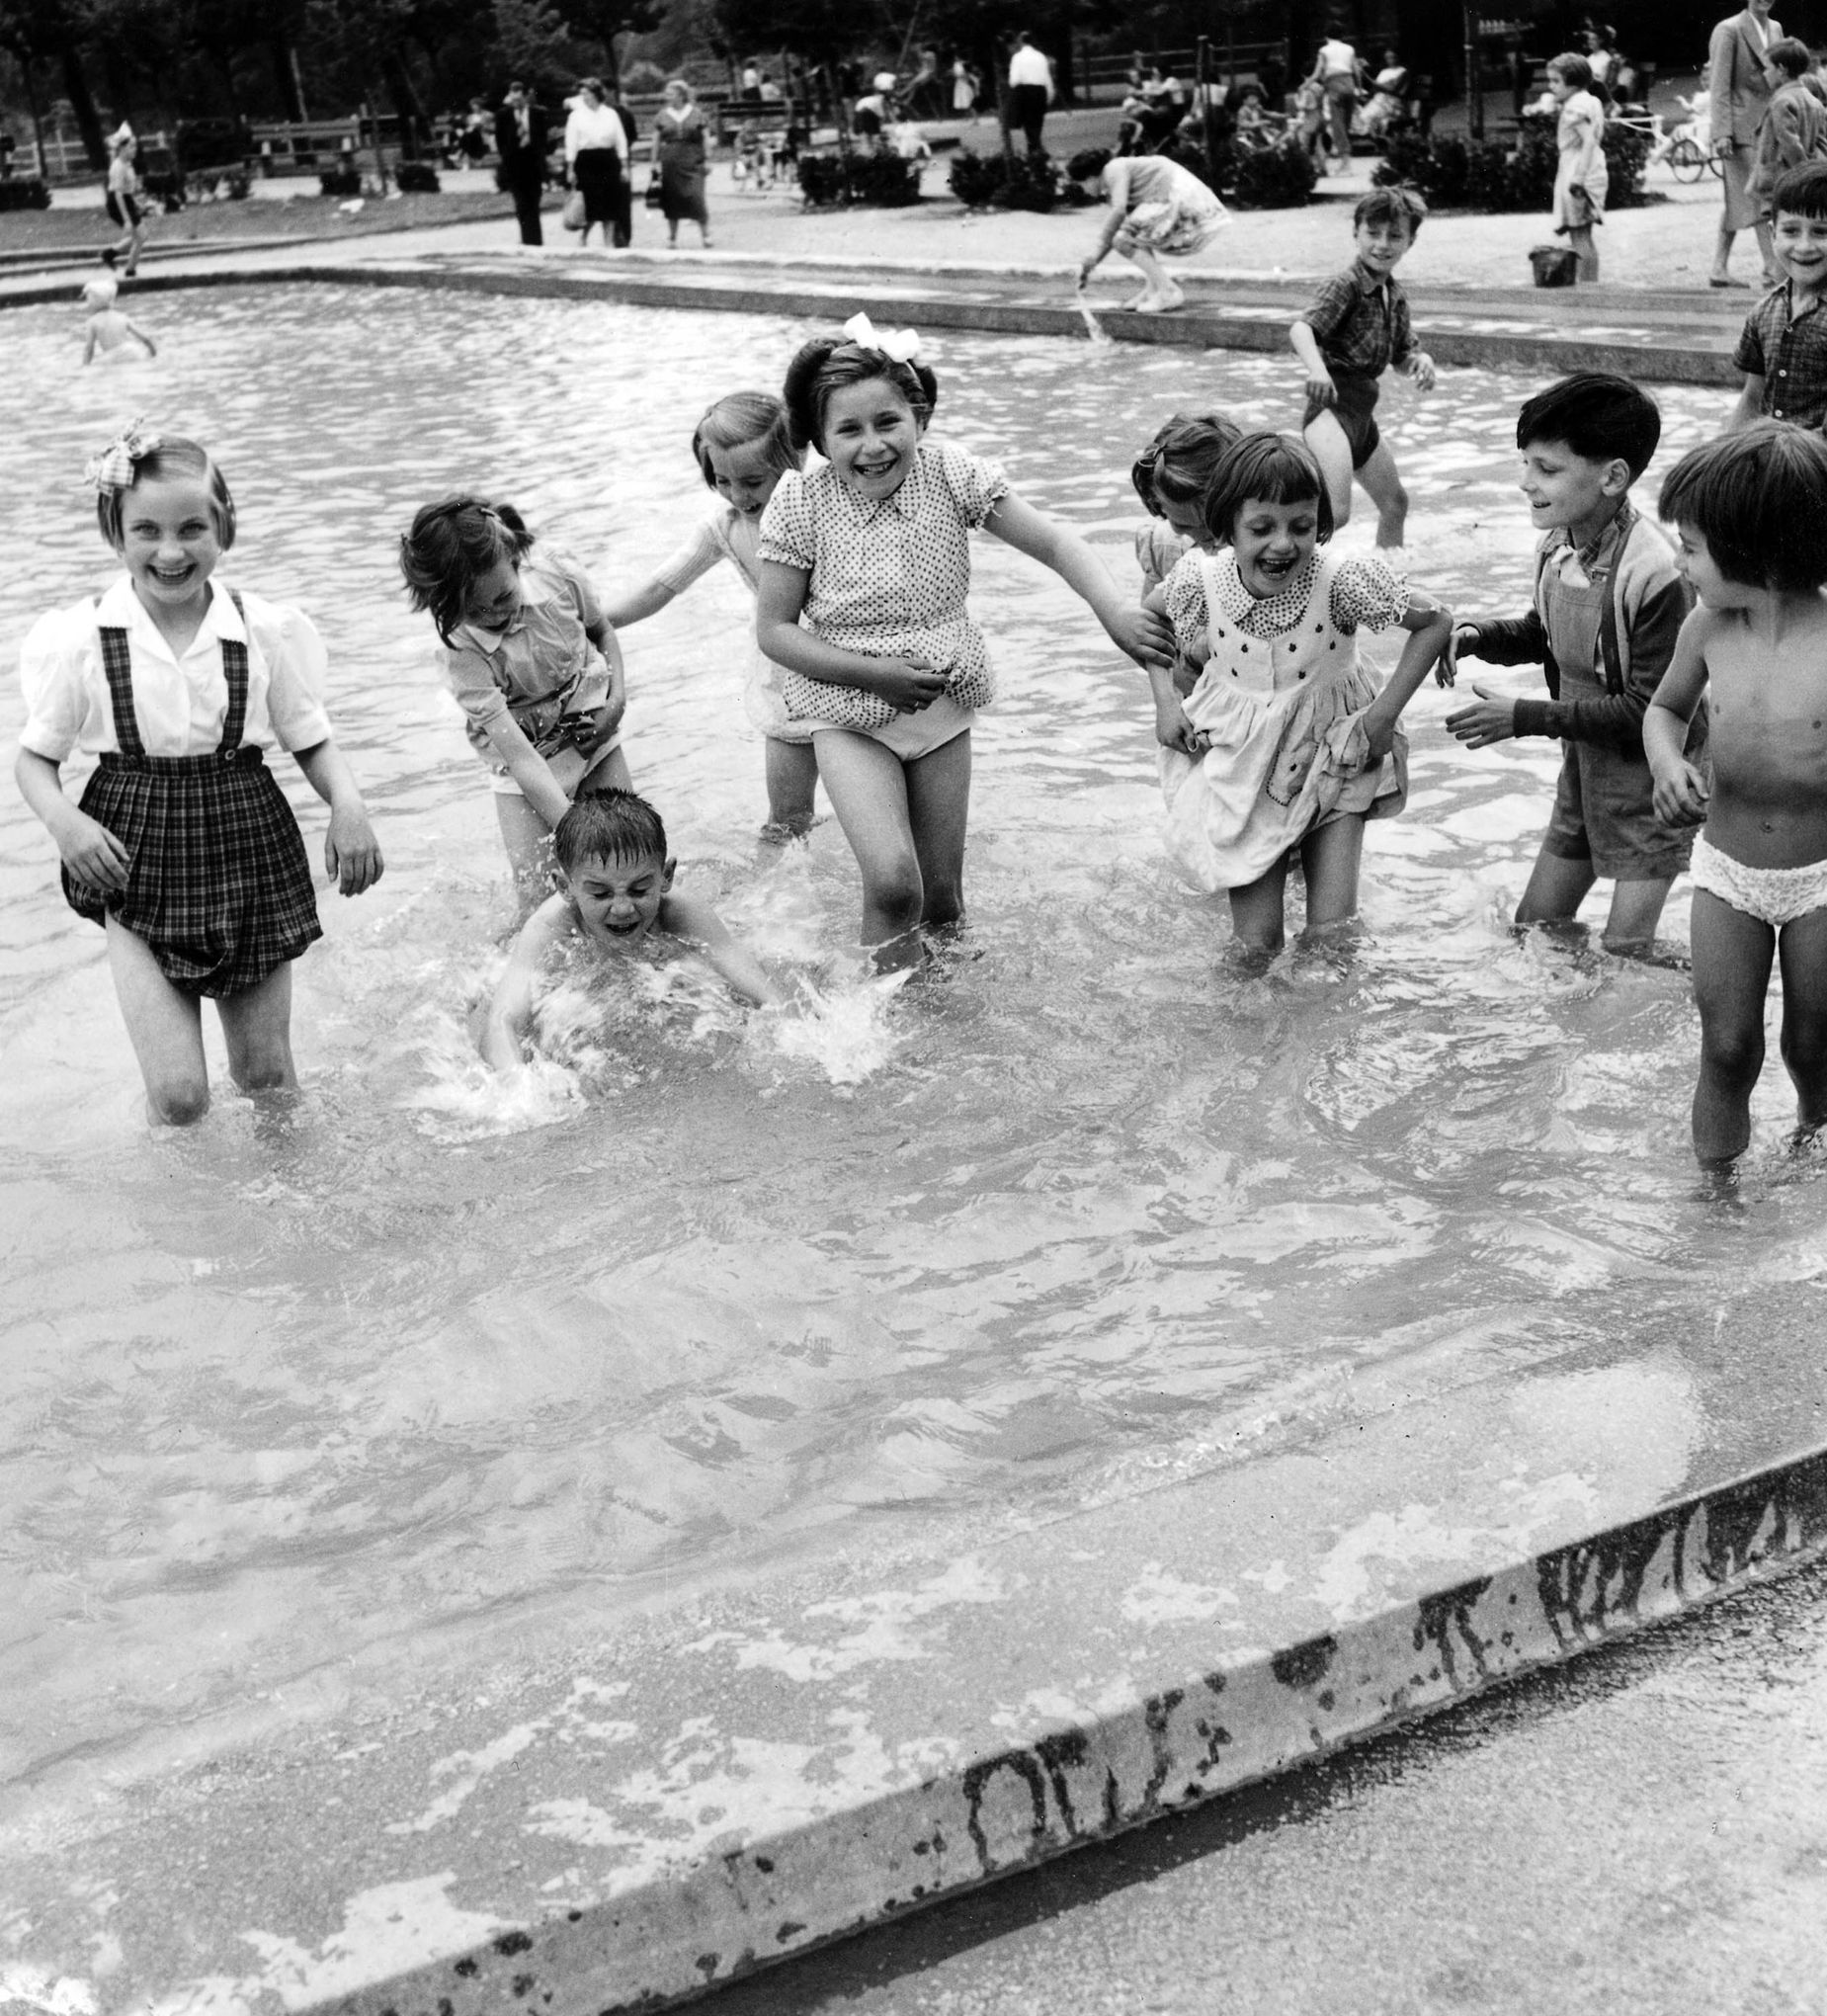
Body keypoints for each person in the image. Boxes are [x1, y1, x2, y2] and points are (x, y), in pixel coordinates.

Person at [754, 312, 1174, 969]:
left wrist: (1114, 612)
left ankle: (945, 1037)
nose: (872, 446)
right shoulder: (800, 502)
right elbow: (774, 632)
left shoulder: (950, 473)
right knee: (894, 883)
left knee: (944, 901)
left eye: (887, 422)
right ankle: (876, 1029)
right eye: (848, 430)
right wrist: (873, 674)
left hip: (942, 710)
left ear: (916, 416)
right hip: (846, 710)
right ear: (818, 438)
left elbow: (1057, 542)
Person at [14, 424, 383, 1126]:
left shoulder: (262, 627)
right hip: (132, 862)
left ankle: (288, 1214)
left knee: (266, 1077)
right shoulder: (81, 638)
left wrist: (349, 806)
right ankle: (185, 1227)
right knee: (180, 1097)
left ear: (226, 528)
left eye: (192, 528)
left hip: (249, 851)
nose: (171, 550)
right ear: (115, 535)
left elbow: (312, 740)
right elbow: (34, 760)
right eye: (146, 529)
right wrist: (65, 824)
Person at [1143, 430, 1453, 960]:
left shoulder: (1342, 579)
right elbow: (1147, 619)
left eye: (1302, 526)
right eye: (1262, 527)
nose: (1283, 543)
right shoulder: (1200, 579)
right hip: (1246, 770)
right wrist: (1165, 702)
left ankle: (1332, 1037)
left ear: (1321, 524)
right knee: (1253, 947)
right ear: (1226, 527)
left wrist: (1381, 718)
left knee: (1332, 937)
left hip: (1336, 757)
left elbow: (1435, 621)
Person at [1446, 374, 1700, 958]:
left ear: (1613, 476)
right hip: (1584, 766)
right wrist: (1477, 636)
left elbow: (1649, 709)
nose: (1525, 482)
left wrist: (1524, 716)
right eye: (1525, 464)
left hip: (1652, 782)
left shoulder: (1656, 571)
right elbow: (1545, 633)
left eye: (1547, 470)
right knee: (1532, 929)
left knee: (1626, 952)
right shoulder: (1557, 542)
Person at [1642, 423, 1827, 1173]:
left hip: (1821, 879)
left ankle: (1810, 1146)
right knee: (1725, 1045)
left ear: (1758, 549)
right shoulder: (1707, 627)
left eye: (1690, 547)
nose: (1679, 562)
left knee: (1814, 1039)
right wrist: (1664, 765)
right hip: (1727, 871)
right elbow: (1663, 711)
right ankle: (1713, 1201)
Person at [602, 391, 818, 843]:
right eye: (722, 480)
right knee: (786, 821)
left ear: (794, 457)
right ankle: (777, 904)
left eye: (754, 481)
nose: (738, 495)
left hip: (850, 666)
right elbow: (659, 588)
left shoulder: (823, 505)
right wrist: (590, 624)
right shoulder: (724, 528)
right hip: (788, 684)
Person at [399, 496, 630, 908]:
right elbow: (522, 760)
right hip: (522, 763)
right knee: (540, 899)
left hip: (591, 737)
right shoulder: (461, 651)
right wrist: (575, 832)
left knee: (626, 861)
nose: (492, 615)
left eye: (502, 597)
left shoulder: (557, 574)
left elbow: (603, 631)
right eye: (474, 609)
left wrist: (615, 706)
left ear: (514, 558)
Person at [481, 789, 779, 1073]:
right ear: (564, 888)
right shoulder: (549, 927)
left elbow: (761, 990)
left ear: (666, 876)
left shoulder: (680, 911)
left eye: (638, 890)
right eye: (600, 894)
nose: (622, 908)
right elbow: (501, 1021)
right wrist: (517, 1085)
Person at [1290, 185, 1437, 549]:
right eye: (1373, 233)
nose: (1382, 244)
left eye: (1395, 236)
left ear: (1410, 241)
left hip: (1361, 417)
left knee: (1395, 504)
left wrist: (1420, 360)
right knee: (1336, 513)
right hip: (1330, 412)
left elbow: (1401, 355)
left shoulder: (1396, 296)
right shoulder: (1346, 285)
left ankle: (1388, 582)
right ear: (1356, 233)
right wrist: (1317, 370)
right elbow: (1302, 328)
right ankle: (1281, 575)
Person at [1729, 161, 1827, 429]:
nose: (1804, 246)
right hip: (1772, 458)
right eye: (1791, 231)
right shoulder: (1764, 311)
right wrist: (1723, 456)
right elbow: (1752, 397)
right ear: (1773, 234)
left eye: (1820, 232)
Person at [1072, 148, 1227, 314]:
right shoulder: (1113, 184)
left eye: (1081, 184)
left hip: (1172, 191)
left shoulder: (1112, 168)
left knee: (1124, 239)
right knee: (1132, 234)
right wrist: (1094, 260)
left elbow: (1118, 212)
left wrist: (1096, 250)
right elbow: (1119, 226)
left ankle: (1168, 290)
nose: (1083, 190)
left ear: (1089, 178)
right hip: (1167, 193)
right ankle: (1153, 290)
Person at [1709, 0, 1783, 289]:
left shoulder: (1776, 28)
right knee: (1760, 195)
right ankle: (1772, 267)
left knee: (1740, 197)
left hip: (1768, 125)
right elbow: (1719, 85)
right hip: (1739, 128)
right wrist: (1721, 132)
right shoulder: (1728, 29)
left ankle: (1718, 267)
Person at [1130, 411, 1244, 597]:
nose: (1206, 537)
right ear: (1160, 506)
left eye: (1214, 523)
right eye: (1183, 524)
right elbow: (1150, 622)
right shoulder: (1163, 547)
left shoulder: (1263, 550)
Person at [1546, 51, 1608, 283]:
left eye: (1556, 81)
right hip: (1593, 165)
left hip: (1577, 167)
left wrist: (1578, 177)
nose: (1552, 87)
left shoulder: (1574, 108)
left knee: (1579, 236)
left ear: (1572, 83)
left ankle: (1587, 286)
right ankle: (1590, 283)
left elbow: (1589, 139)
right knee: (1585, 235)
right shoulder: (1590, 100)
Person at [1749, 40, 1827, 213]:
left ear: (1782, 70)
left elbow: (1790, 144)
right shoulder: (1813, 100)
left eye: (1767, 68)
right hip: (1808, 173)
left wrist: (1805, 177)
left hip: (1786, 180)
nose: (1765, 74)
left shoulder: (1782, 101)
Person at [563, 76, 628, 250]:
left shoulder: (610, 114)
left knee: (610, 202)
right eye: (582, 94)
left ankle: (608, 241)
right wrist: (570, 168)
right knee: (591, 203)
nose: (584, 97)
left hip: (608, 160)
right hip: (586, 162)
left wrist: (624, 166)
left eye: (587, 93)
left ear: (596, 94)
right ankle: (584, 237)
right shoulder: (576, 116)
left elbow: (620, 140)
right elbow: (571, 143)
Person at [654, 78, 711, 249]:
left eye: (671, 94)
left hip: (693, 160)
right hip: (670, 162)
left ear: (680, 95)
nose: (667, 97)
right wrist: (654, 163)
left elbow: (706, 137)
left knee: (697, 198)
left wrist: (707, 158)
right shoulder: (662, 115)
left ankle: (706, 235)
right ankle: (672, 238)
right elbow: (656, 140)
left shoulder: (697, 113)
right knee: (672, 199)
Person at [495, 80, 550, 248]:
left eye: (519, 99)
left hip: (533, 164)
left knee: (533, 202)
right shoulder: (503, 115)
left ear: (526, 97)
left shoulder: (538, 114)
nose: (516, 103)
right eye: (513, 99)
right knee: (521, 204)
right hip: (515, 166)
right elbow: (500, 141)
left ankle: (535, 241)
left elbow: (543, 141)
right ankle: (528, 240)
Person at [1309, 32, 1361, 168]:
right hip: (1349, 83)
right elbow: (1356, 69)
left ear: (1326, 37)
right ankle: (1345, 156)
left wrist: (1305, 84)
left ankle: (1345, 162)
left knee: (1337, 123)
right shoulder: (1349, 48)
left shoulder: (1324, 50)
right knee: (1346, 123)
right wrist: (1359, 88)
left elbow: (1317, 72)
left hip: (1334, 84)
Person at [79, 273, 156, 363]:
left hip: (111, 357)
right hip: (132, 352)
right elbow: (146, 339)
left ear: (92, 302)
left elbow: (89, 349)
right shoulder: (122, 317)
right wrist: (154, 355)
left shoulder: (92, 322)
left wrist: (85, 367)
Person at [102, 126, 145, 277]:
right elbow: (118, 194)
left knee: (140, 236)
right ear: (122, 148)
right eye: (131, 146)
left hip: (125, 200)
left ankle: (112, 255)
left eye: (135, 146)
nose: (135, 149)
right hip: (117, 203)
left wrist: (135, 202)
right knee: (140, 236)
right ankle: (129, 269)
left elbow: (127, 190)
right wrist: (126, 218)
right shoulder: (118, 166)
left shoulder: (127, 163)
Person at [603, 81, 638, 246]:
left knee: (623, 200)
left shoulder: (624, 113)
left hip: (621, 160)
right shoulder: (599, 113)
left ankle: (625, 236)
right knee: (607, 200)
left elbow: (631, 137)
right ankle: (610, 236)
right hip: (604, 161)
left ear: (611, 91)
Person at [1007, 32, 1053, 156]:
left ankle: (1036, 147)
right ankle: (1035, 147)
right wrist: (1049, 94)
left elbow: (1014, 80)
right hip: (1040, 90)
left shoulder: (1017, 57)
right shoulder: (1040, 56)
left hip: (1025, 90)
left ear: (1021, 41)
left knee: (1028, 122)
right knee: (1037, 121)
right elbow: (1046, 77)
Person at [459, 96, 491, 163]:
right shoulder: (470, 117)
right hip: (471, 138)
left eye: (476, 105)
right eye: (472, 105)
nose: (474, 107)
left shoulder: (487, 114)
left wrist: (479, 126)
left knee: (469, 135)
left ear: (480, 105)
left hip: (482, 135)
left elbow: (490, 126)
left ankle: (460, 153)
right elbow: (468, 128)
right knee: (467, 136)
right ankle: (465, 158)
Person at [953, 58, 979, 122]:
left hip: (965, 87)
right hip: (964, 86)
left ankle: (975, 119)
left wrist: (976, 89)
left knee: (970, 103)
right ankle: (967, 118)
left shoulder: (964, 72)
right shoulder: (965, 71)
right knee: (966, 103)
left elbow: (961, 75)